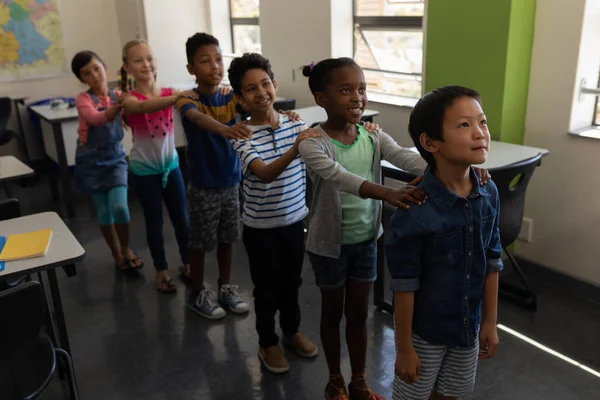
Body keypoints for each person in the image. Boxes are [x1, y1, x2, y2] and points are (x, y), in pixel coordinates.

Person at [298, 59, 491, 400]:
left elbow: (408, 158)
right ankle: (334, 380)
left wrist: (454, 168)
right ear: (321, 99)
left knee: (358, 315)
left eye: (361, 89)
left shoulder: (372, 135)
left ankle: (358, 379)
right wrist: (388, 192)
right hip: (329, 245)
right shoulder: (312, 142)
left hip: (366, 241)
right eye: (345, 90)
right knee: (333, 314)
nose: (357, 97)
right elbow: (340, 177)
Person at [386, 86, 502, 400]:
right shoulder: (416, 208)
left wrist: (490, 321)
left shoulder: (487, 192)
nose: (480, 133)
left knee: (451, 395)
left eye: (482, 122)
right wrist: (405, 348)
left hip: (467, 329)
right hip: (425, 334)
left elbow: (492, 259)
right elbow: (404, 284)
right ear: (429, 142)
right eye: (464, 125)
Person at [227, 52, 319, 373]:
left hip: (295, 222)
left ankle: (291, 332)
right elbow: (264, 173)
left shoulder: (297, 124)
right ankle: (268, 342)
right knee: (266, 289)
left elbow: (322, 156)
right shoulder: (241, 135)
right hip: (261, 229)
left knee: (292, 283)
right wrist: (296, 147)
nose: (261, 92)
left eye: (265, 83)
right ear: (240, 98)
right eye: (250, 89)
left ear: (275, 84)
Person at [120, 39, 197, 293]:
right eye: (138, 60)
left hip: (171, 167)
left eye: (149, 58)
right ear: (127, 67)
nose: (146, 64)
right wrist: (177, 97)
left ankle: (188, 263)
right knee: (154, 222)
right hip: (144, 173)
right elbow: (143, 107)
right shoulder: (129, 99)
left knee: (182, 220)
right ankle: (161, 269)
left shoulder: (168, 92)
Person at [71, 50, 143, 272]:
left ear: (105, 67)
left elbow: (133, 120)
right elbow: (95, 118)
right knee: (104, 213)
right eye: (86, 73)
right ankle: (116, 254)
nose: (94, 75)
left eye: (96, 68)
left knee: (120, 206)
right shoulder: (83, 99)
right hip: (90, 160)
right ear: (82, 79)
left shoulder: (119, 95)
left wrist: (131, 105)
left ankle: (126, 247)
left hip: (115, 158)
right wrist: (118, 107)